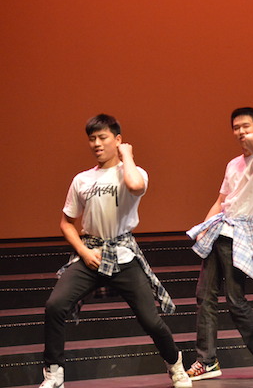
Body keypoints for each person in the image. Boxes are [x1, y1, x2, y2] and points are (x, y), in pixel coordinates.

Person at [39, 114, 191, 388]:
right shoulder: (82, 180)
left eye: (103, 137)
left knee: (150, 320)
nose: (96, 144)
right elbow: (66, 223)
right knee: (55, 306)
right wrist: (83, 253)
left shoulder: (133, 171)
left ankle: (175, 365)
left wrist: (127, 156)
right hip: (91, 253)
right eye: (92, 139)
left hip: (123, 254)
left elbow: (135, 186)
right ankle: (54, 373)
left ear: (118, 140)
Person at [185, 107, 253, 381]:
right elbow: (220, 201)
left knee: (236, 300)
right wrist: (205, 229)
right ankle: (207, 361)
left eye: (246, 126)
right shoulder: (232, 164)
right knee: (204, 295)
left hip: (241, 232)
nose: (240, 132)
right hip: (220, 229)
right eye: (236, 127)